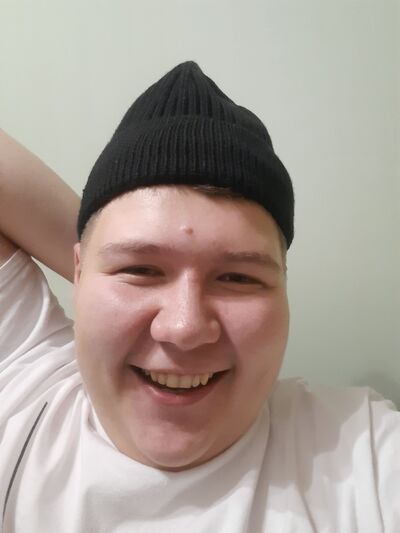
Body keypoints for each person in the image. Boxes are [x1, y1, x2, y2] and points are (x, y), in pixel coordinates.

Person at [0, 61, 398, 533]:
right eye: (140, 270)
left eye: (238, 278)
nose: (185, 328)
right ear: (79, 271)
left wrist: (113, 261)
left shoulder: (364, 452)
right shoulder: (20, 380)